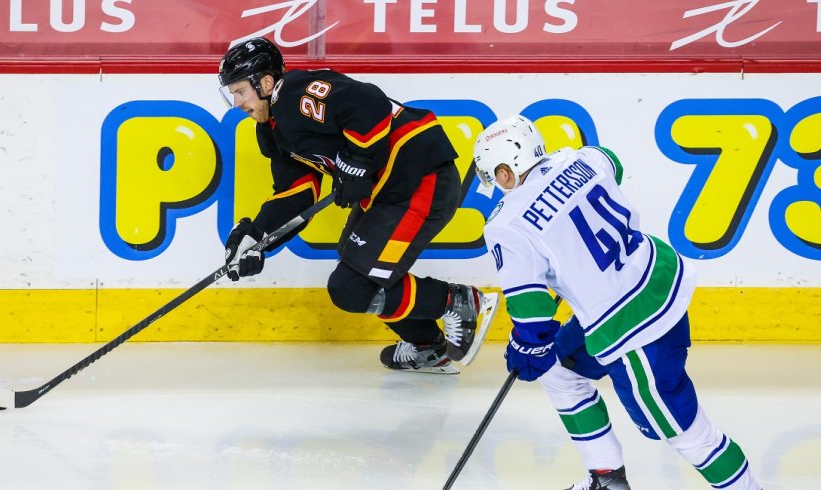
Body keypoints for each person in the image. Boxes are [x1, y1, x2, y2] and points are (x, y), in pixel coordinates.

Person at [474, 116, 762, 489]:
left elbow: (533, 317)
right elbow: (613, 163)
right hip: (658, 278)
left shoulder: (506, 225)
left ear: (505, 171)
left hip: (630, 326)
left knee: (691, 436)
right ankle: (606, 478)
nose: (497, 187)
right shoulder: (581, 159)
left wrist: (525, 348)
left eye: (494, 178)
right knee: (558, 369)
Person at [217, 37, 498, 373]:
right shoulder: (272, 131)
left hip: (419, 175)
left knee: (352, 287)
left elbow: (369, 104)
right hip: (388, 193)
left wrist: (357, 161)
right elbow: (297, 191)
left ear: (264, 83)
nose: (236, 102)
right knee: (358, 277)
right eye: (231, 94)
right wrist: (256, 237)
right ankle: (428, 347)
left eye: (240, 91)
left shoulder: (295, 93)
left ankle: (456, 301)